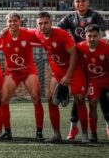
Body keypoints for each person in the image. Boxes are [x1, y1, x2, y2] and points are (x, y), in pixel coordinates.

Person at [57, 0, 109, 140]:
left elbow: (105, 28)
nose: (80, 4)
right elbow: (56, 30)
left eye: (83, 1)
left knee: (103, 94)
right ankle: (74, 127)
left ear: (88, 2)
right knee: (78, 95)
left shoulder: (95, 15)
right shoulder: (70, 17)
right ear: (74, 3)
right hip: (79, 58)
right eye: (78, 1)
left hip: (96, 55)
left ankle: (107, 123)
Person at [32, 11, 88, 143]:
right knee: (51, 99)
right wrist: (6, 29)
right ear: (37, 25)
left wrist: (68, 76)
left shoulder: (61, 34)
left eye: (46, 23)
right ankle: (56, 134)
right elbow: (23, 30)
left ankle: (85, 135)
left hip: (74, 71)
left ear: (51, 23)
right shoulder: (37, 33)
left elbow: (74, 55)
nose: (43, 26)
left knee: (80, 100)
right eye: (40, 23)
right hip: (57, 72)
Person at [0, 12, 44, 140]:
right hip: (12, 73)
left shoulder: (28, 34)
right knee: (4, 100)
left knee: (36, 99)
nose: (13, 23)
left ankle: (39, 133)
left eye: (15, 21)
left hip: (28, 72)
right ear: (6, 23)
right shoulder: (3, 35)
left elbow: (44, 38)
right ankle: (7, 133)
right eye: (10, 21)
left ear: (19, 22)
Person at [76, 24, 109, 142]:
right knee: (92, 104)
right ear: (85, 36)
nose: (92, 39)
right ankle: (93, 134)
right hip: (92, 81)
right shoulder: (79, 47)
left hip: (107, 78)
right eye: (89, 36)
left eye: (95, 36)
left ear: (99, 36)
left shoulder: (106, 48)